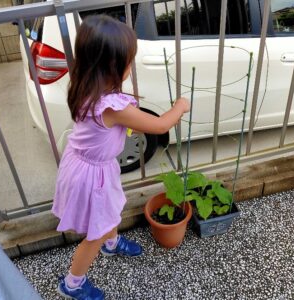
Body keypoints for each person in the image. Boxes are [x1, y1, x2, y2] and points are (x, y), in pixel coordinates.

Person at [52, 15, 190, 300]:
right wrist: (180, 106)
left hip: (87, 166)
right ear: (111, 67)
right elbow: (162, 125)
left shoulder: (83, 85)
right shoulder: (111, 106)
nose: (131, 66)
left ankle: (111, 242)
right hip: (91, 175)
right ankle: (72, 283)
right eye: (128, 62)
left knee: (109, 209)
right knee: (94, 233)